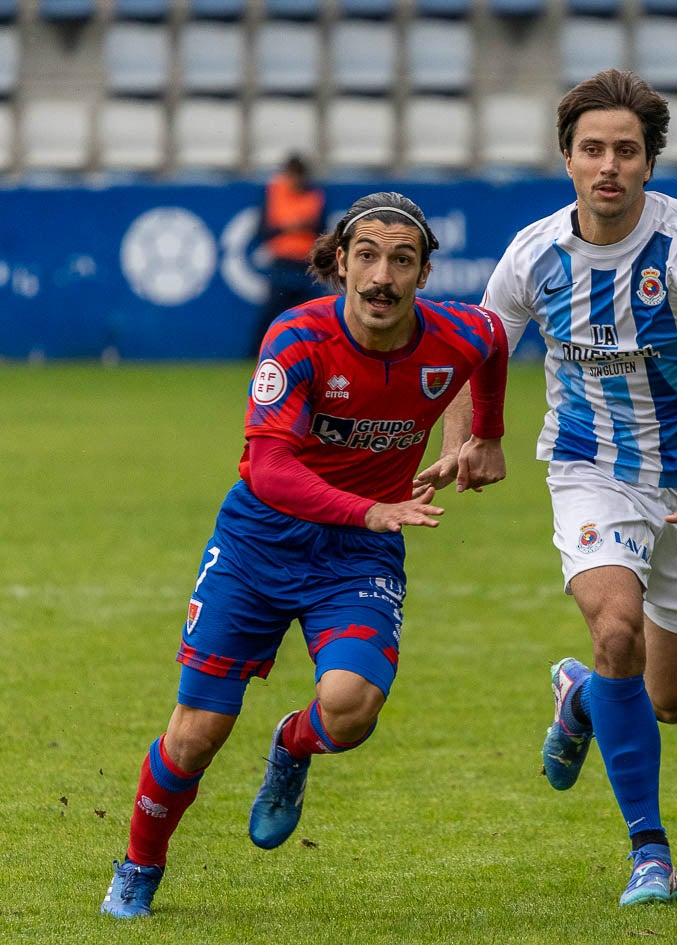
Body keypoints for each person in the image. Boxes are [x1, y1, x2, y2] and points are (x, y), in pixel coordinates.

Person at [100, 191, 509, 919]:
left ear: (422, 272)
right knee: (195, 737)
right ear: (341, 264)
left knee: (349, 710)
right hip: (259, 540)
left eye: (402, 260)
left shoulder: (457, 332)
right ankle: (137, 866)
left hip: (356, 554)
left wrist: (482, 434)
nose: (383, 275)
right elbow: (270, 471)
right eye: (368, 256)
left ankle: (292, 744)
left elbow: (492, 345)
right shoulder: (296, 338)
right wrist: (370, 506)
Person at [449, 68, 677, 907]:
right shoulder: (533, 254)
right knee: (615, 629)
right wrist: (474, 436)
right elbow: (477, 348)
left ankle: (581, 698)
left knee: (668, 700)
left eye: (625, 151)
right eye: (591, 148)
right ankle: (650, 852)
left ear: (647, 163)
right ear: (566, 157)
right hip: (587, 469)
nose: (608, 165)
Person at [251, 153, 327, 357]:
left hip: (306, 265)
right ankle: (258, 352)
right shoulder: (274, 193)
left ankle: (315, 353)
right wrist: (288, 228)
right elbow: (262, 231)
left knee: (310, 313)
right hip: (282, 263)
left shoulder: (315, 197)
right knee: (271, 313)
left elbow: (323, 231)